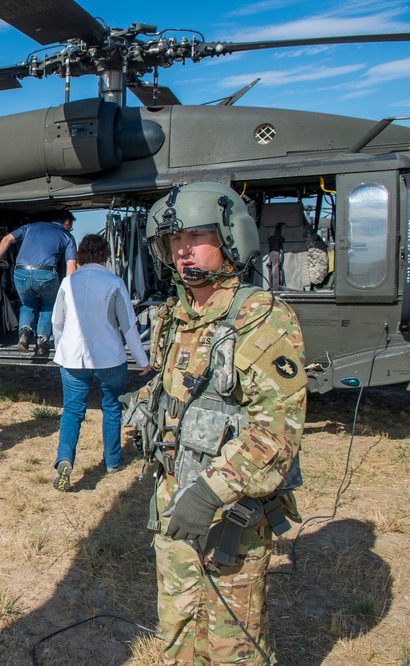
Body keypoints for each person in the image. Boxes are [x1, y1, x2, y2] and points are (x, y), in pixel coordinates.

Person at [125, 183, 305, 664]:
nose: (183, 251)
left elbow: (278, 433)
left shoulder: (260, 318)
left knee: (232, 644)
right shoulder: (175, 316)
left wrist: (209, 492)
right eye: (173, 242)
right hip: (173, 504)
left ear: (230, 237)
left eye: (196, 236)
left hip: (232, 516)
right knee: (178, 627)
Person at [50, 234, 150, 491]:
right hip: (109, 358)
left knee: (72, 411)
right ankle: (113, 460)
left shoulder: (68, 282)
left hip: (73, 357)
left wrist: (62, 348)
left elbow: (56, 322)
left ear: (81, 254)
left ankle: (64, 460)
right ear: (105, 255)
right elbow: (128, 326)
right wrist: (142, 359)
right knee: (112, 408)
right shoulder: (114, 282)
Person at [0, 210, 78, 355]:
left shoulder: (30, 227)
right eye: (70, 226)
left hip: (21, 272)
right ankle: (42, 341)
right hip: (45, 273)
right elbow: (71, 265)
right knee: (49, 306)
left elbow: (6, 239)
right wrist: (69, 290)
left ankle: (24, 333)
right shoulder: (67, 236)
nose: (70, 229)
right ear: (66, 222)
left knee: (27, 305)